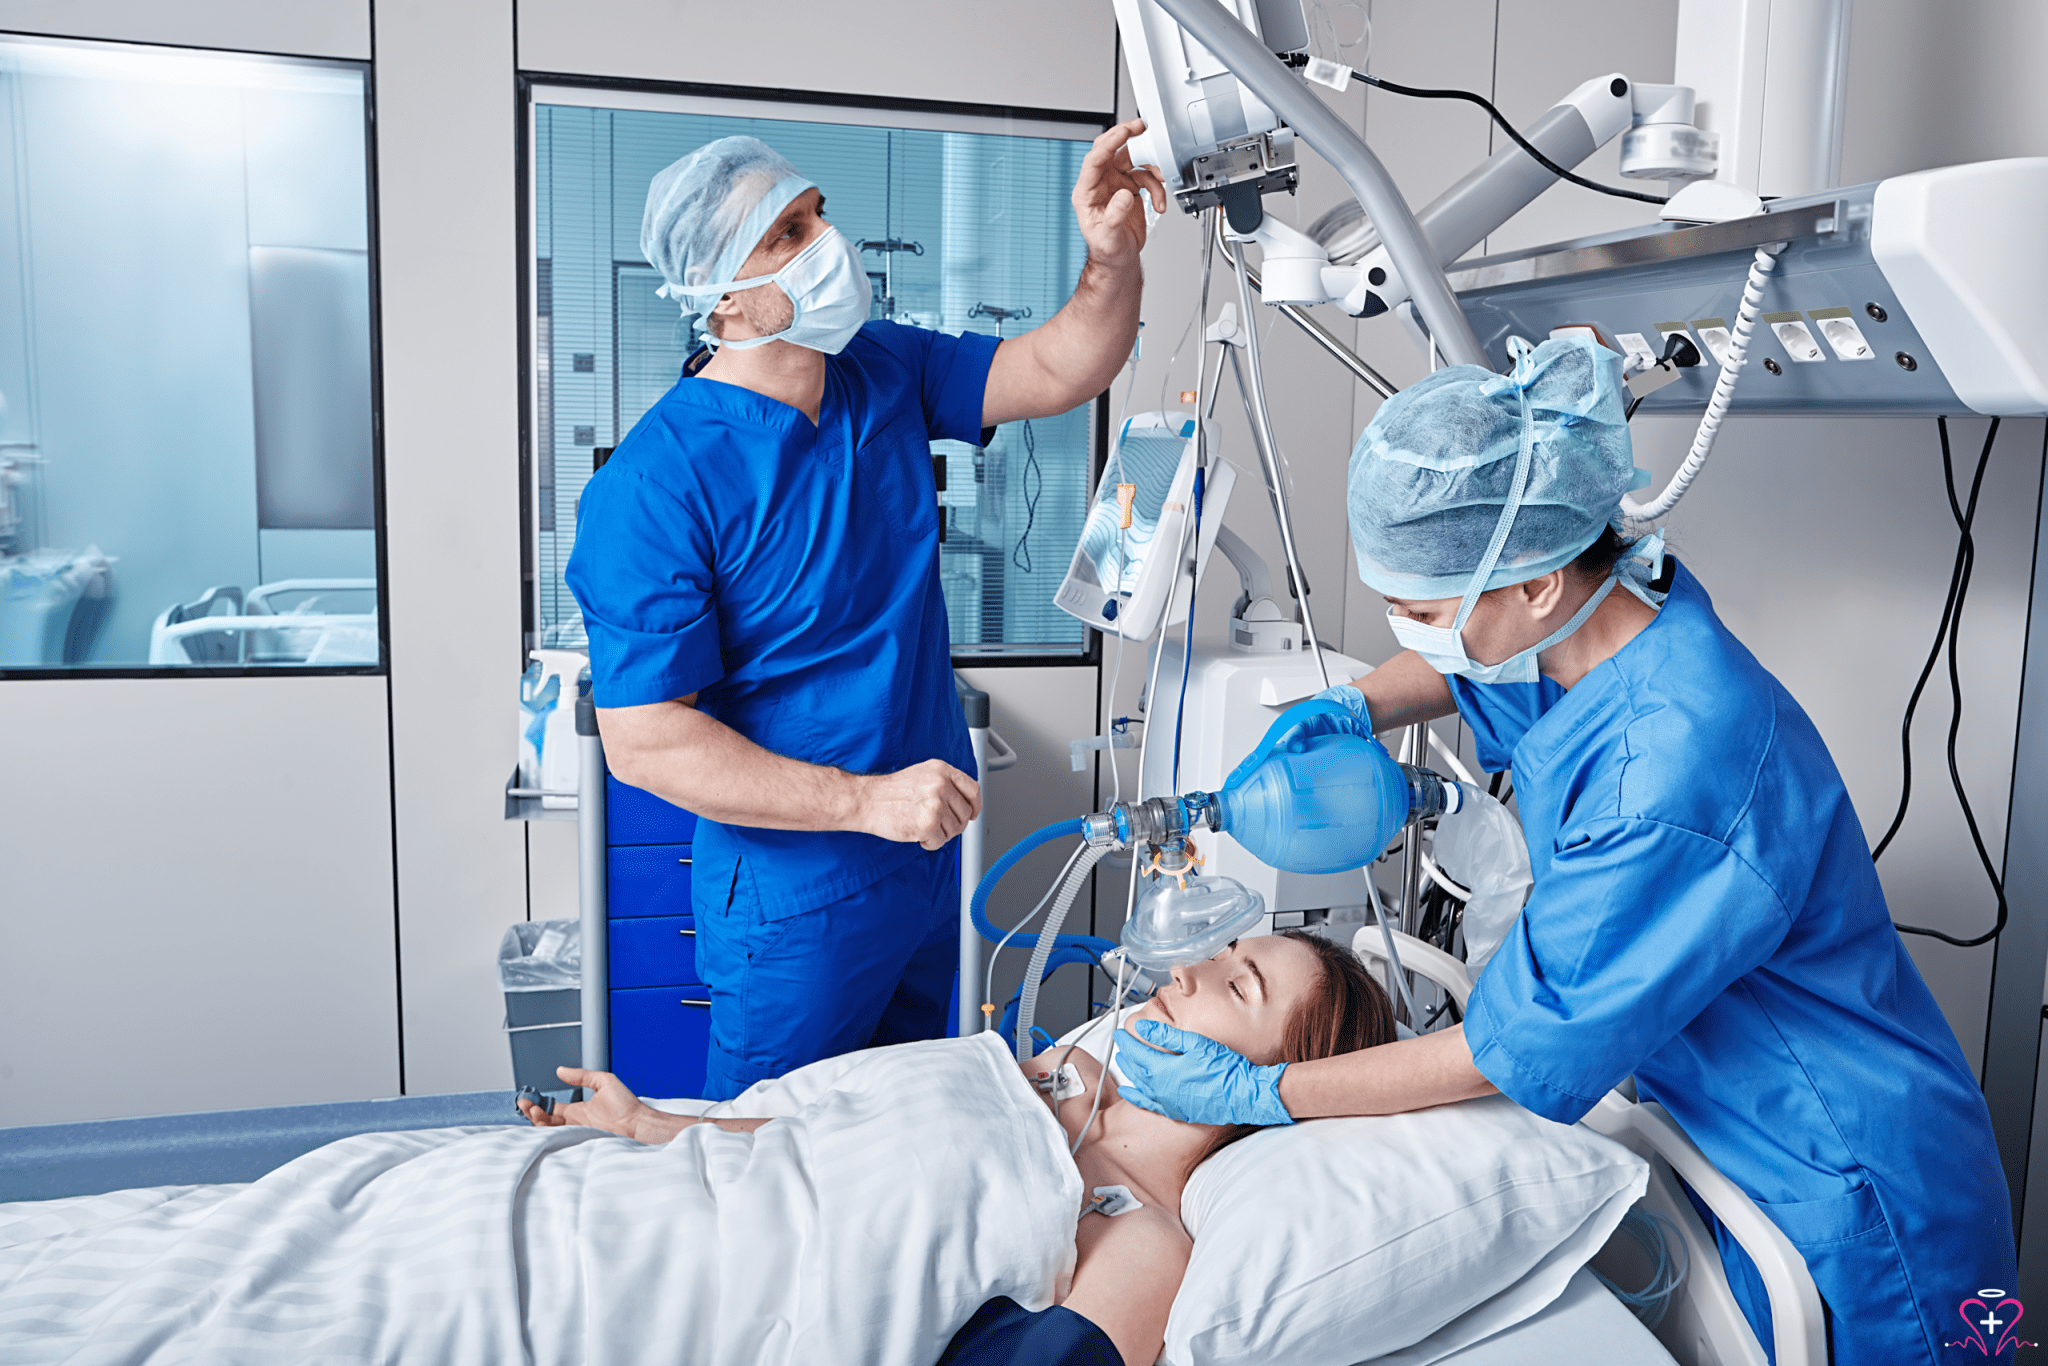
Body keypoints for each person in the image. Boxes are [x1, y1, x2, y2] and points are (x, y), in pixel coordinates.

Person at [1113, 335, 2016, 1364]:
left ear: (1534, 584)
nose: (1408, 633)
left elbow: (1503, 1054)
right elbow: (1485, 669)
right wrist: (1353, 703)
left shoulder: (1663, 777)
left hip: (1856, 1190)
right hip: (1724, 1122)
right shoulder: (1613, 616)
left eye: (1421, 610)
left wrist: (1258, 1095)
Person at [566, 128, 1165, 1100]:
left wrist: (1109, 259)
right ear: (720, 295)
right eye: (787, 234)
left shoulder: (879, 371)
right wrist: (863, 802)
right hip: (795, 900)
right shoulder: (654, 484)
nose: (827, 243)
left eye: (818, 214)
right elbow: (646, 742)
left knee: (904, 1143)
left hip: (920, 869)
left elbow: (1057, 369)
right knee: (773, 1168)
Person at [522, 930, 1394, 1366]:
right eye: (1221, 952)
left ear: (1283, 1085)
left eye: (1235, 987)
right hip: (638, 1203)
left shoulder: (1147, 1239)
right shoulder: (1056, 1074)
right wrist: (658, 1127)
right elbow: (829, 1140)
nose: (1187, 973)